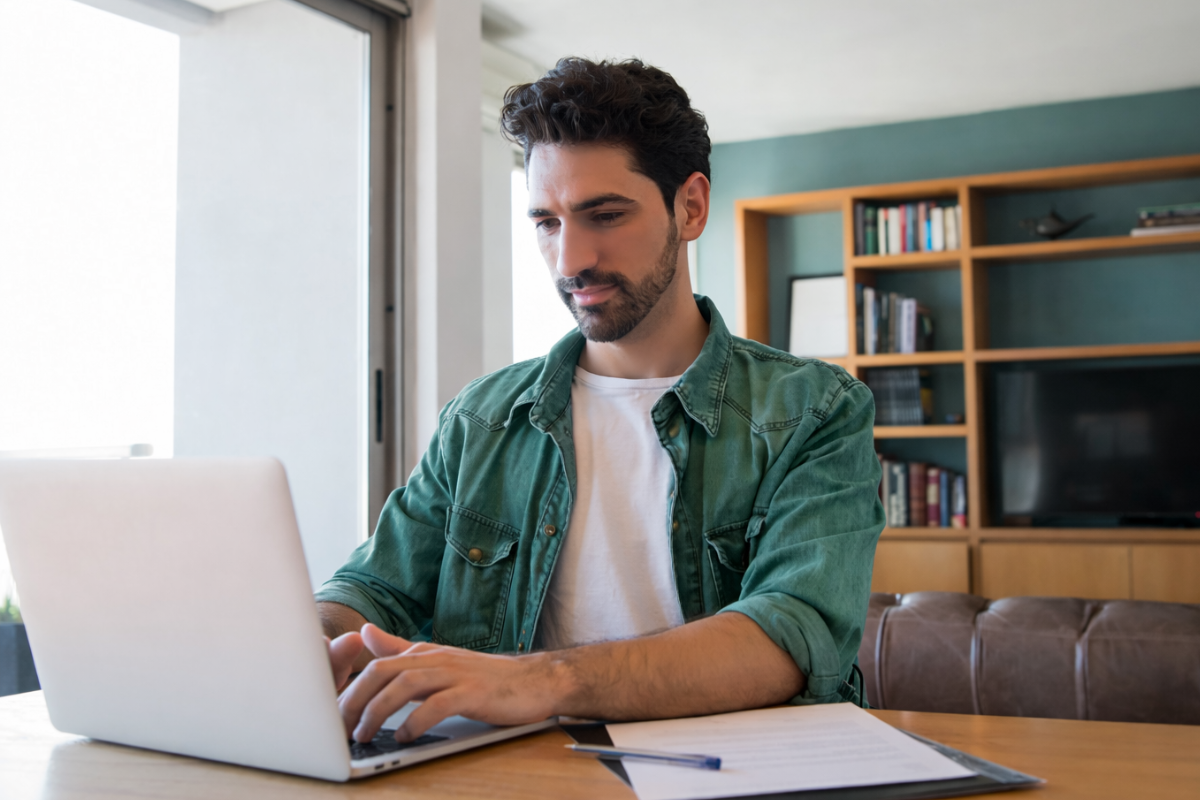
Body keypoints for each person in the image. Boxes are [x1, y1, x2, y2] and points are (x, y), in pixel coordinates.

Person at [316, 57, 884, 746]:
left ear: (691, 206)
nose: (569, 260)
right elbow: (376, 592)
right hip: (506, 778)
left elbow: (792, 634)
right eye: (547, 223)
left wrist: (541, 680)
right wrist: (309, 640)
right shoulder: (480, 418)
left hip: (727, 779)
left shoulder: (815, 411)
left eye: (604, 215)